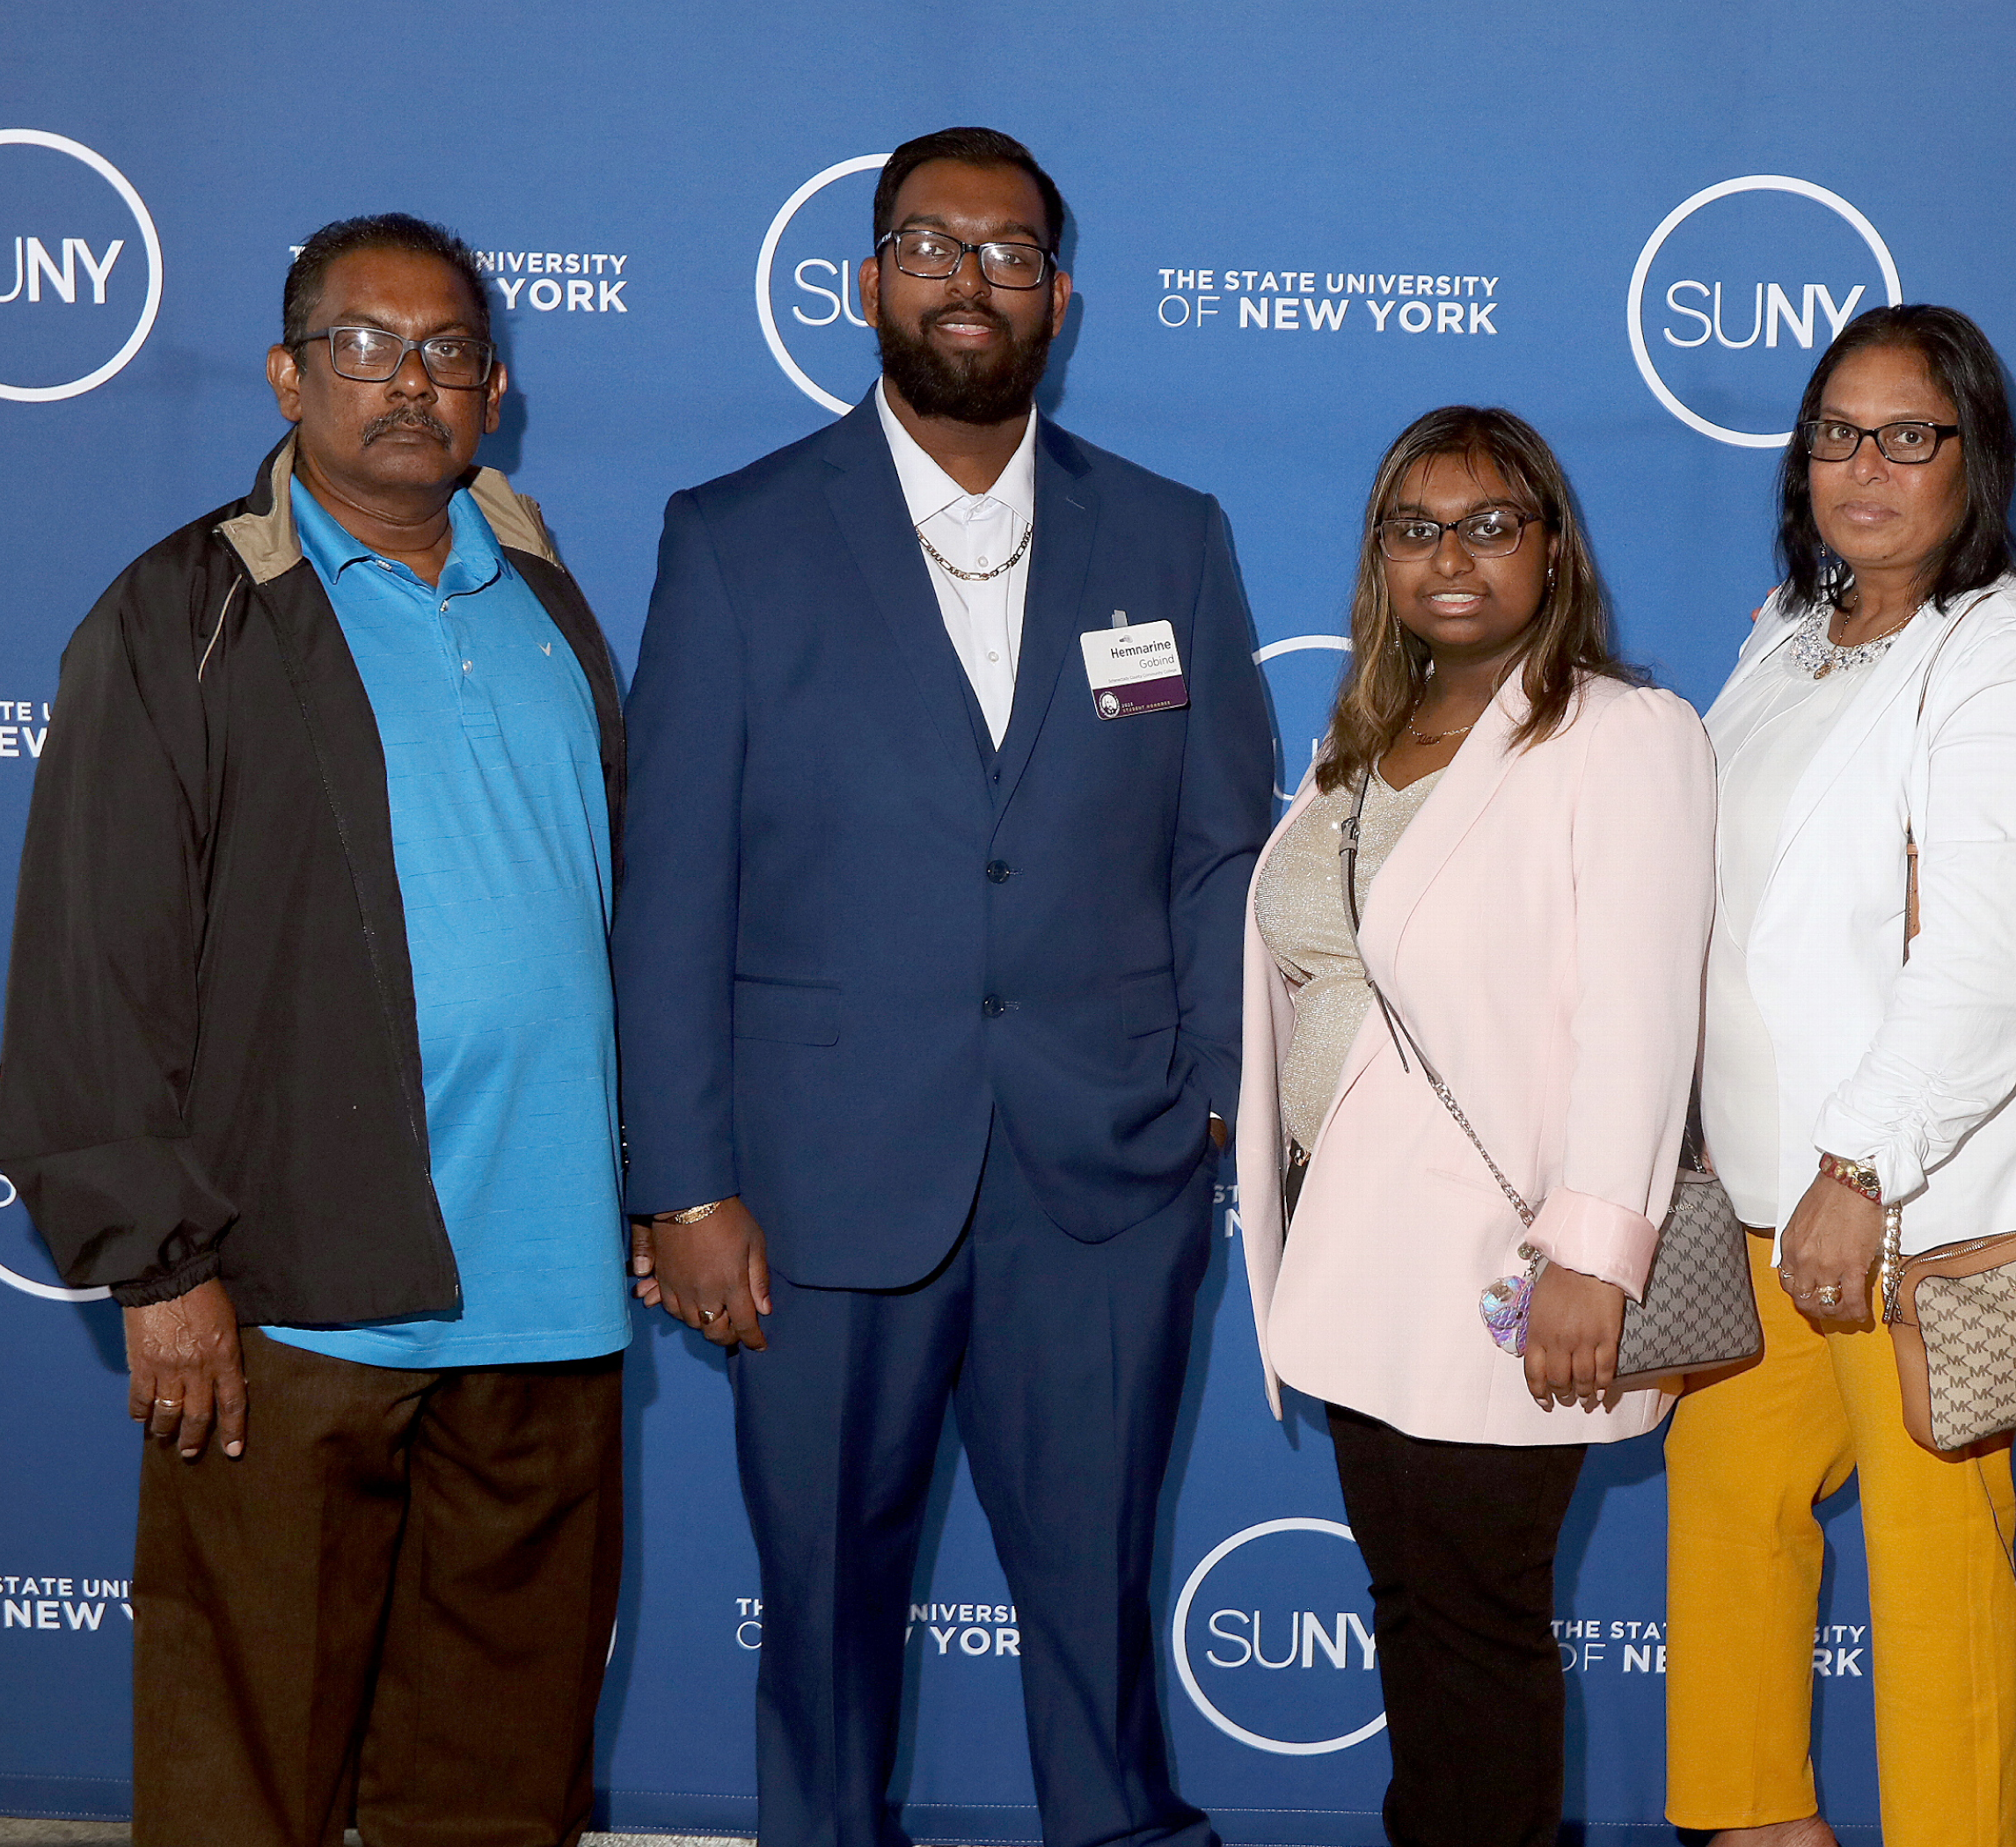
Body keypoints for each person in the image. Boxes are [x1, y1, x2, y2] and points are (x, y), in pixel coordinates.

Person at [616, 127, 1275, 1847]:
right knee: (825, 1620)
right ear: (865, 283)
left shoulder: (1173, 538)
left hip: (1103, 1183)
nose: (967, 278)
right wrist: (683, 1182)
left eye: (1005, 250)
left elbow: (1217, 851)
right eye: (929, 244)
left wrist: (1210, 1088)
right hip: (822, 1187)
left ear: (1061, 294)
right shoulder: (736, 538)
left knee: (1098, 1616)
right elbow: (674, 886)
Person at [0, 213, 632, 1847]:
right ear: (289, 374)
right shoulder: (184, 612)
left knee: (503, 1771)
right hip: (287, 1299)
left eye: (444, 353)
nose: (405, 384)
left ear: (494, 387)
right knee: (245, 1773)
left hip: (545, 1294)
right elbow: (89, 963)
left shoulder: (542, 591)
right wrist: (159, 1265)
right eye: (361, 346)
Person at [1664, 305, 2016, 1847]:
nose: (1865, 466)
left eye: (1909, 434)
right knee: (1727, 1506)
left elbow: (1990, 958)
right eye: (1835, 433)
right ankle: (1754, 1824)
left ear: (1972, 459)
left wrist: (1861, 1169)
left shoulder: (2011, 657)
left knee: (1931, 1571)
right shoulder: (1787, 633)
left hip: (1906, 1204)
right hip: (1756, 1194)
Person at [1233, 405, 1713, 1847]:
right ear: (1377, 556)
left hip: (1502, 1267)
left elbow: (1642, 1013)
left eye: (1493, 524)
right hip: (1350, 1248)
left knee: (1479, 1624)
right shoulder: (1366, 737)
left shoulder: (1622, 734)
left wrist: (1594, 1252)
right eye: (1415, 526)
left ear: (1553, 549)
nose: (1453, 556)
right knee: (1415, 1612)